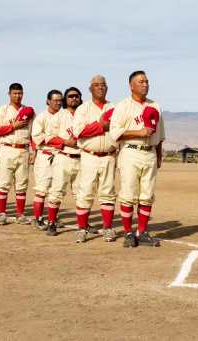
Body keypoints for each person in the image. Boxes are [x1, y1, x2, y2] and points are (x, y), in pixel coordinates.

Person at [111, 70, 166, 248]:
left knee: (147, 195)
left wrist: (158, 155)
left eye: (147, 81)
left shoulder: (155, 105)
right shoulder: (122, 106)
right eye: (141, 81)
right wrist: (138, 132)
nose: (145, 84)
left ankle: (141, 232)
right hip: (130, 152)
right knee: (128, 194)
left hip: (149, 152)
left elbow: (160, 135)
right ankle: (128, 232)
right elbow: (115, 134)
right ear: (131, 85)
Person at [73, 77, 120, 243]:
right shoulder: (83, 109)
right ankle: (82, 228)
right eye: (96, 85)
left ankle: (107, 228)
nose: (101, 88)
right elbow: (79, 131)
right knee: (85, 192)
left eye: (103, 85)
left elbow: (121, 129)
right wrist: (100, 126)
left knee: (107, 193)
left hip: (109, 155)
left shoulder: (114, 107)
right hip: (89, 155)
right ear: (90, 89)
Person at [45, 87, 89, 237]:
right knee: (56, 192)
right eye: (70, 96)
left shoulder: (85, 114)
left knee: (82, 194)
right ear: (65, 99)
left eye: (77, 96)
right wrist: (65, 142)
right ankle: (52, 222)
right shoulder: (59, 116)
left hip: (82, 158)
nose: (74, 98)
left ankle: (83, 224)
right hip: (64, 157)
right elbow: (49, 138)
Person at [0, 83, 35, 226]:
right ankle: (2, 213)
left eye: (20, 93)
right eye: (15, 93)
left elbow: (33, 133)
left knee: (22, 184)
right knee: (4, 183)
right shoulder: (2, 111)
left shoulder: (28, 111)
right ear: (9, 94)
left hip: (23, 149)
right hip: (7, 148)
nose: (18, 96)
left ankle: (20, 214)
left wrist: (33, 151)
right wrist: (12, 126)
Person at [30, 90, 64, 230]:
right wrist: (59, 140)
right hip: (45, 155)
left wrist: (52, 138)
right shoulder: (41, 117)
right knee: (41, 189)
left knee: (57, 189)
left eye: (60, 100)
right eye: (55, 100)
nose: (58, 103)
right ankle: (37, 218)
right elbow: (37, 137)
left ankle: (52, 218)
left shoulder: (65, 116)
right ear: (48, 101)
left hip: (61, 155)